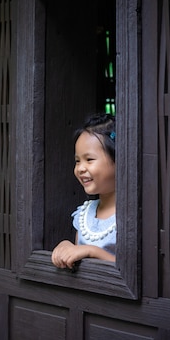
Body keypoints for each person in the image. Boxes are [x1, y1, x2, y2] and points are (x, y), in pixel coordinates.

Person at [51, 113, 117, 269]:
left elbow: (134, 273)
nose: (80, 168)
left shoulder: (131, 216)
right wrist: (66, 246)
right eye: (77, 161)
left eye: (89, 159)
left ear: (119, 160)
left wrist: (92, 251)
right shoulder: (84, 214)